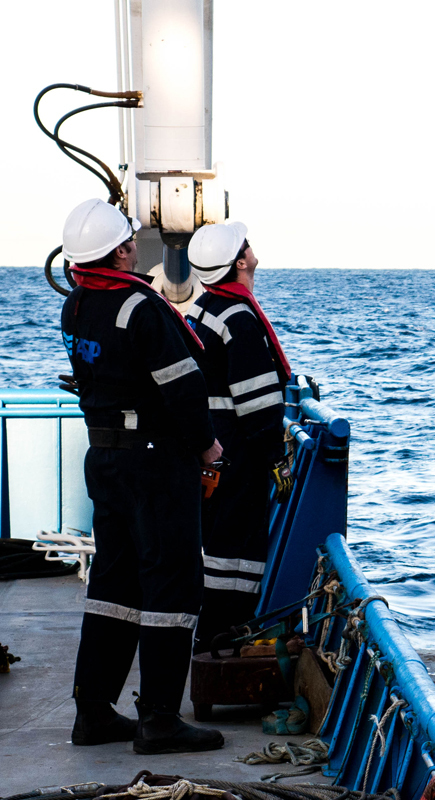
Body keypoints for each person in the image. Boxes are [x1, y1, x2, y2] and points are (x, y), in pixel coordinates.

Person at [60, 198, 225, 754]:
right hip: (155, 465)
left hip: (104, 459)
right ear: (123, 251)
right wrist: (209, 447)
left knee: (113, 583)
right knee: (171, 584)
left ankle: (93, 711)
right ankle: (159, 718)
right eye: (129, 242)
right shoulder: (142, 307)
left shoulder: (76, 306)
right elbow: (183, 389)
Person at [186, 222, 292, 653]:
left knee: (216, 549)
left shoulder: (203, 309)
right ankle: (226, 637)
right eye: (246, 245)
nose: (252, 248)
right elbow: (258, 403)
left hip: (213, 451)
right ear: (240, 261)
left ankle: (210, 634)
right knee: (240, 552)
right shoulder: (239, 318)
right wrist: (275, 458)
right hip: (239, 457)